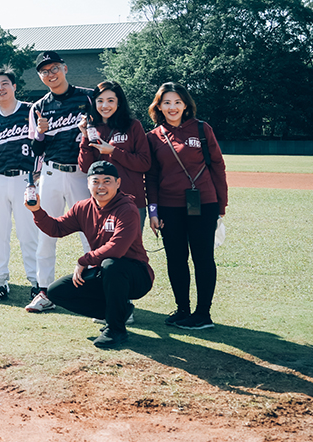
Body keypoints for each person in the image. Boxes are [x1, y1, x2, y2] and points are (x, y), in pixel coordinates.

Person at [30, 161, 154, 349]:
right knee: (57, 291)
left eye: (107, 181)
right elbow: (57, 228)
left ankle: (115, 330)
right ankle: (119, 312)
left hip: (136, 276)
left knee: (111, 264)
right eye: (95, 181)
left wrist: (83, 261)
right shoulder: (83, 207)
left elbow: (117, 248)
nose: (101, 186)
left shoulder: (127, 209)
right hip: (105, 274)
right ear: (88, 184)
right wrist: (37, 211)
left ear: (118, 183)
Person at [145, 82, 228, 331]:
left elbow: (218, 166)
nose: (172, 107)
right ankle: (183, 309)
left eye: (177, 102)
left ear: (186, 105)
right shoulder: (153, 136)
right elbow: (151, 176)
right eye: (167, 102)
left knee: (203, 258)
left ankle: (203, 313)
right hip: (169, 207)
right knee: (176, 259)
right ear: (158, 106)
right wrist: (153, 211)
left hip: (203, 203)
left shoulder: (202, 129)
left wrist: (221, 206)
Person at [27, 51, 94, 313]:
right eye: (44, 71)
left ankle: (96, 289)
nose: (50, 74)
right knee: (46, 232)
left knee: (91, 232)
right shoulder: (39, 106)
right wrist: (41, 134)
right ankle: (44, 291)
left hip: (82, 173)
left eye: (54, 68)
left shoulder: (89, 96)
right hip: (52, 173)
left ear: (65, 68)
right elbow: (35, 148)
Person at [0, 68, 40, 304]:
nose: (0, 88)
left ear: (14, 86)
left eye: (4, 83)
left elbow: (41, 143)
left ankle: (37, 283)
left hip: (25, 178)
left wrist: (37, 173)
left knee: (28, 233)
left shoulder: (31, 110)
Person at [78, 81, 151, 230]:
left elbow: (145, 163)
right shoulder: (92, 129)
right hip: (102, 203)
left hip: (132, 202)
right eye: (100, 101)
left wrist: (113, 151)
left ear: (119, 103)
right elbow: (85, 167)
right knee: (104, 250)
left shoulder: (133, 125)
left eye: (110, 100)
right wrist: (85, 136)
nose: (105, 106)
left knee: (131, 251)